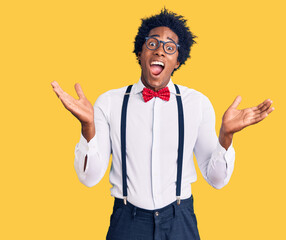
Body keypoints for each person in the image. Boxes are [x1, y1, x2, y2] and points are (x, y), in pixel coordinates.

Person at [51, 8, 274, 240]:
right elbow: (89, 178)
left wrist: (226, 136)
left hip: (180, 219)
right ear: (140, 52)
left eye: (169, 47)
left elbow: (217, 180)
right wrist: (88, 127)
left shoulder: (197, 103)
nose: (160, 50)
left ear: (178, 61)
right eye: (153, 43)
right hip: (127, 221)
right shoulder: (109, 102)